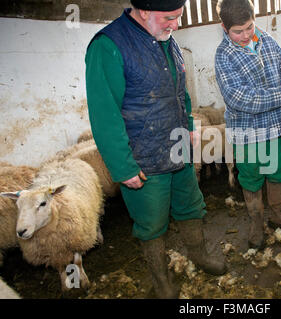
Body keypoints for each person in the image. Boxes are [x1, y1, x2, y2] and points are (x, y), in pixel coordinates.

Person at [85, 0, 226, 299]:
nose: (175, 25)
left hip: (178, 149)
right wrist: (122, 167)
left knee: (191, 207)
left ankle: (198, 255)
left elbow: (180, 92)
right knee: (151, 224)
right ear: (145, 10)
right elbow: (104, 113)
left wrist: (188, 125)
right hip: (144, 160)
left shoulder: (167, 39)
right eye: (170, 18)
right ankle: (161, 281)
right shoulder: (109, 46)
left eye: (179, 18)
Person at [215, 0, 281, 249]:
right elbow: (240, 98)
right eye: (238, 31)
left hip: (274, 129)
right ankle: (256, 222)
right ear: (224, 27)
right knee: (251, 178)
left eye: (249, 27)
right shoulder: (224, 55)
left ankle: (278, 214)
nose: (246, 35)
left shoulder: (265, 40)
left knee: (278, 173)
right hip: (247, 134)